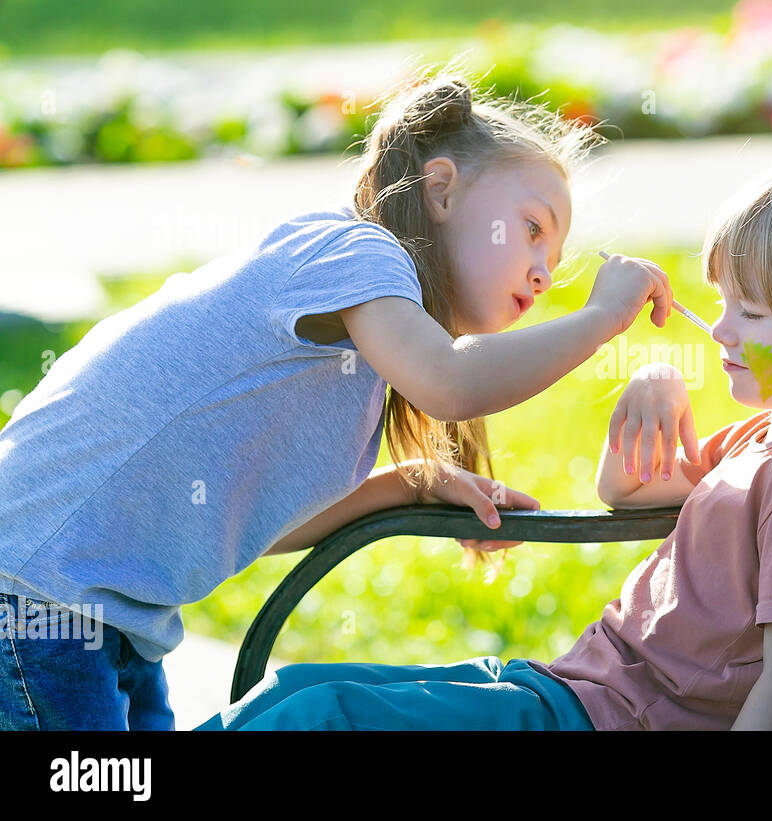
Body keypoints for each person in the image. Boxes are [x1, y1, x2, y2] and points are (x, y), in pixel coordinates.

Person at [0, 70, 676, 731]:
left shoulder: (364, 351)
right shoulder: (355, 251)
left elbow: (247, 519)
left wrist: (406, 485)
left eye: (554, 257)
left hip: (97, 610)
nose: (544, 270)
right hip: (38, 594)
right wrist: (601, 320)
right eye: (532, 228)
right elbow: (452, 379)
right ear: (440, 188)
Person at [196, 155, 772, 731]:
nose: (719, 331)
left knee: (321, 718)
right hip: (571, 689)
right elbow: (622, 490)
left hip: (599, 715)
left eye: (749, 312)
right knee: (297, 694)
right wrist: (656, 385)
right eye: (721, 305)